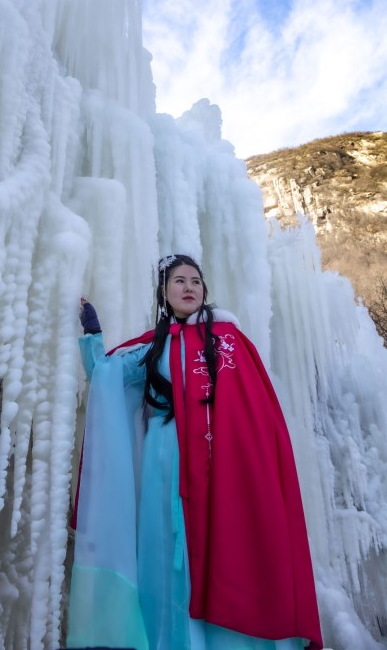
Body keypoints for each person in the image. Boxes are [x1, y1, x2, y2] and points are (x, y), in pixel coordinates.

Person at [67, 254, 323, 650]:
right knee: (167, 550)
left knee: (229, 551)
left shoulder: (230, 339)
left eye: (195, 281)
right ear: (164, 294)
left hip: (225, 467)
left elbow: (255, 414)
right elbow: (107, 377)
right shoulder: (154, 347)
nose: (189, 288)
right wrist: (93, 338)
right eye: (178, 281)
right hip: (164, 464)